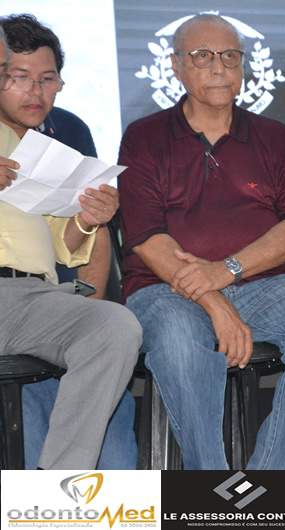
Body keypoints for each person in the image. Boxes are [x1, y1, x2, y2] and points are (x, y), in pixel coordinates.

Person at [118, 14, 285, 470]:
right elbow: (146, 238)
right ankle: (212, 486)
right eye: (202, 56)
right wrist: (215, 302)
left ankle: (271, 483)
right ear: (176, 65)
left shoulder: (276, 138)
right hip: (165, 288)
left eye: (230, 56)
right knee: (179, 340)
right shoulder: (144, 137)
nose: (218, 67)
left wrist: (225, 271)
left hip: (266, 285)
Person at [0, 25, 141, 470]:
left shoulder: (41, 149)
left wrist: (88, 219)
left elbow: (64, 245)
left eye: (47, 79)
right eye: (20, 77)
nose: (35, 91)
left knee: (114, 325)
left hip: (32, 297)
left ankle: (58, 481)